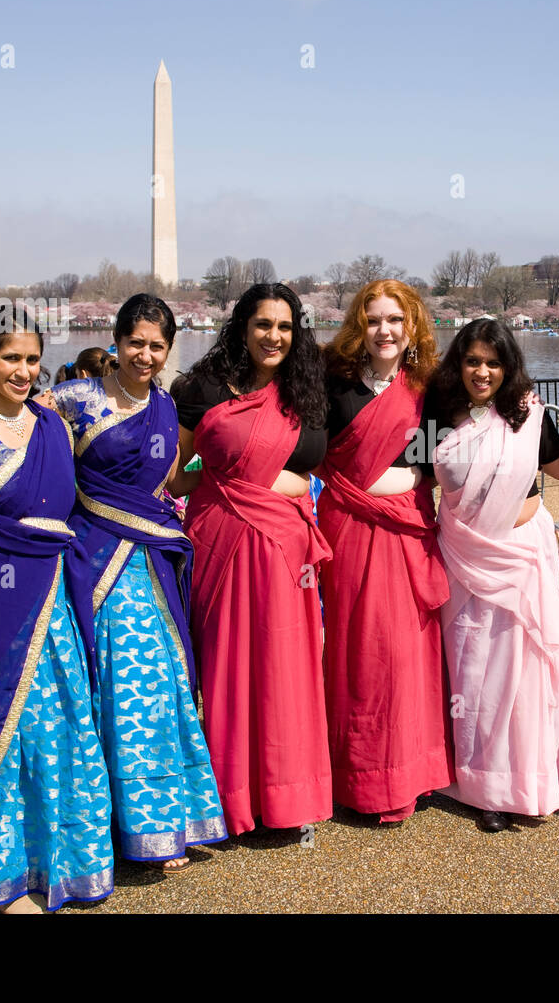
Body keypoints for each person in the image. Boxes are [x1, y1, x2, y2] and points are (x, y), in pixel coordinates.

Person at [0, 294, 226, 871]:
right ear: (116, 342)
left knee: (161, 689)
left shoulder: (167, 408)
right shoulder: (74, 399)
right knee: (110, 689)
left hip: (151, 560)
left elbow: (173, 477)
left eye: (157, 346)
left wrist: (228, 465)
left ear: (168, 352)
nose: (145, 355)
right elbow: (18, 430)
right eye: (135, 342)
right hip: (91, 565)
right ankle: (108, 832)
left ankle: (162, 823)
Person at [0, 309, 114, 912]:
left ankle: (61, 864)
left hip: (57, 599)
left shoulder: (53, 420)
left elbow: (128, 393)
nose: (24, 371)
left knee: (60, 732)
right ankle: (5, 880)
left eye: (33, 359)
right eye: (10, 357)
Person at [170, 283, 334, 836]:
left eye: (285, 327)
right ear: (243, 326)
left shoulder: (308, 391)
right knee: (225, 662)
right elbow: (173, 473)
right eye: (264, 324)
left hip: (286, 547)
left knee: (285, 665)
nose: (274, 336)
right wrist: (237, 480)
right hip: (223, 536)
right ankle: (226, 799)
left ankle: (287, 798)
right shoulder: (204, 388)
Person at [425, 317, 559, 832]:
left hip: (521, 554)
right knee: (473, 669)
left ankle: (526, 780)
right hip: (464, 556)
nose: (482, 372)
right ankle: (481, 785)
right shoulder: (441, 414)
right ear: (458, 364)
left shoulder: (527, 414)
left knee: (525, 670)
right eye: (472, 361)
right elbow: (411, 473)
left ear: (509, 366)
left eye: (493, 362)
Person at [319, 279, 453, 823]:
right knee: (355, 652)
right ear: (359, 325)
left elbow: (429, 463)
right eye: (374, 319)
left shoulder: (428, 390)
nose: (384, 330)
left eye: (395, 319)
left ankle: (408, 772)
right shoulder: (334, 386)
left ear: (412, 325)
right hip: (348, 532)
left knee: (405, 653)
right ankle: (355, 776)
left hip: (406, 532)